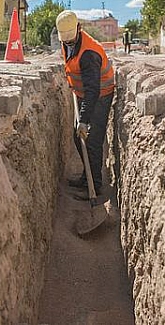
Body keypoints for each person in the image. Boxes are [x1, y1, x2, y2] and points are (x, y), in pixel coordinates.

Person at [55, 10, 115, 202]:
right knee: (77, 137)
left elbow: (93, 91)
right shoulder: (67, 41)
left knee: (92, 141)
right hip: (83, 94)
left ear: (79, 29)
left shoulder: (89, 54)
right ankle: (86, 178)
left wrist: (85, 120)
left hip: (99, 96)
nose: (68, 43)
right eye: (65, 40)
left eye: (70, 40)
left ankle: (95, 187)